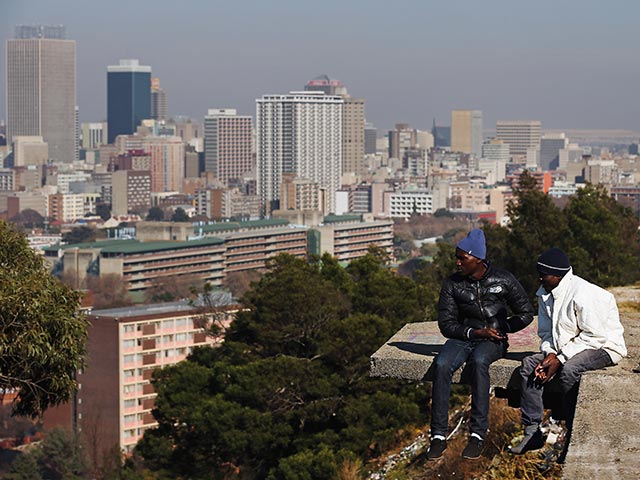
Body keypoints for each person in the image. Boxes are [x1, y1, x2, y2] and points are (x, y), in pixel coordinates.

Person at [426, 229, 534, 460]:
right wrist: (474, 331)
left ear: (478, 258)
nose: (457, 263)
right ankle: (437, 435)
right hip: (463, 336)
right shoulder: (452, 284)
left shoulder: (504, 279)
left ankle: (477, 433)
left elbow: (526, 312)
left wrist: (503, 328)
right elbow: (446, 323)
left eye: (462, 258)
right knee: (442, 364)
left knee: (479, 361)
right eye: (456, 257)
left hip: (492, 340)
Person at [510, 248, 627, 456]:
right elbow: (546, 334)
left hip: (603, 346)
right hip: (566, 348)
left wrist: (560, 358)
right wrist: (549, 355)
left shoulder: (585, 294)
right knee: (529, 364)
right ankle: (532, 431)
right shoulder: (545, 293)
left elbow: (595, 336)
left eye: (543, 274)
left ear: (558, 275)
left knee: (570, 370)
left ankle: (573, 434)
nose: (539, 278)